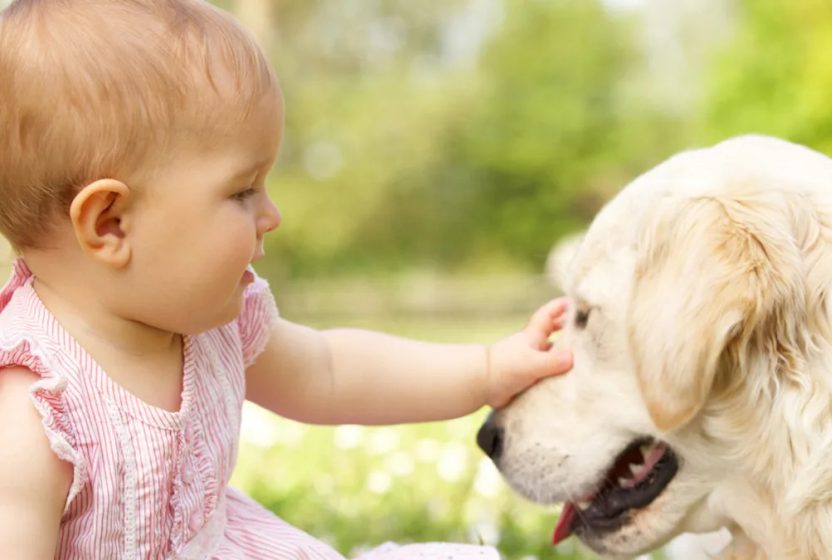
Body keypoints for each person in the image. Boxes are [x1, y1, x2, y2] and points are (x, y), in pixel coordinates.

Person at [0, 1, 573, 558]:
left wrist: (487, 370)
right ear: (110, 223)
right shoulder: (33, 414)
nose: (270, 215)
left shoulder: (211, 324)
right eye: (243, 190)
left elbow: (331, 371)